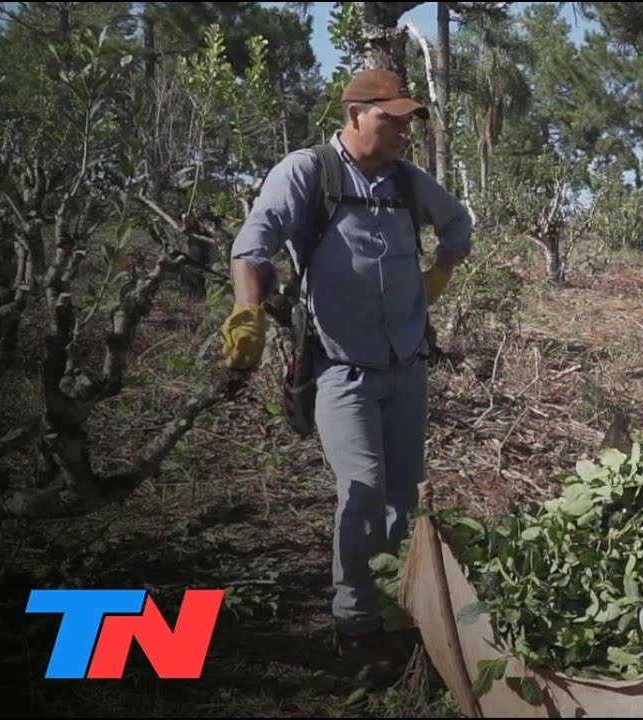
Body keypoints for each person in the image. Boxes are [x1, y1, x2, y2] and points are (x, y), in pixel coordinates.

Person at [218, 68, 473, 686]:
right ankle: (355, 626)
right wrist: (247, 315)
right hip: (340, 367)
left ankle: (396, 610)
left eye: (410, 120)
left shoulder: (408, 181)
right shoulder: (308, 173)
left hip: (407, 365)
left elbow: (459, 227)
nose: (404, 130)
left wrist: (432, 283)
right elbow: (253, 248)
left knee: (400, 497)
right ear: (356, 114)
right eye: (392, 119)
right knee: (360, 492)